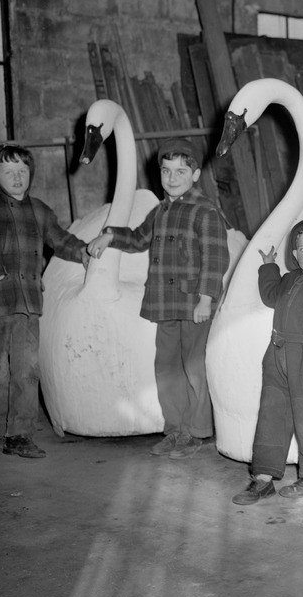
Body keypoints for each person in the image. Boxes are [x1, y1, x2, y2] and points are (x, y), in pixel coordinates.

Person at [86, 138, 229, 460]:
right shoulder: (161, 210)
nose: (173, 177)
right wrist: (110, 235)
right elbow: (138, 239)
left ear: (195, 175)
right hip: (165, 303)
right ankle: (175, 429)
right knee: (166, 369)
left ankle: (197, 432)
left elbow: (216, 260)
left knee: (193, 368)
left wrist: (206, 300)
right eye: (167, 171)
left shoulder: (205, 212)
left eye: (181, 171)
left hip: (194, 304)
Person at [0, 144, 93, 458]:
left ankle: (20, 434)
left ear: (30, 173)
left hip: (29, 303)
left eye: (22, 171)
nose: (17, 177)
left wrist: (85, 252)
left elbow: (60, 239)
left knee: (27, 369)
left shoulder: (41, 211)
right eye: (9, 172)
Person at [232, 211, 303, 504]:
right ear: (294, 253)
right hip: (277, 356)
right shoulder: (290, 279)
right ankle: (263, 476)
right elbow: (271, 295)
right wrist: (269, 267)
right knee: (272, 415)